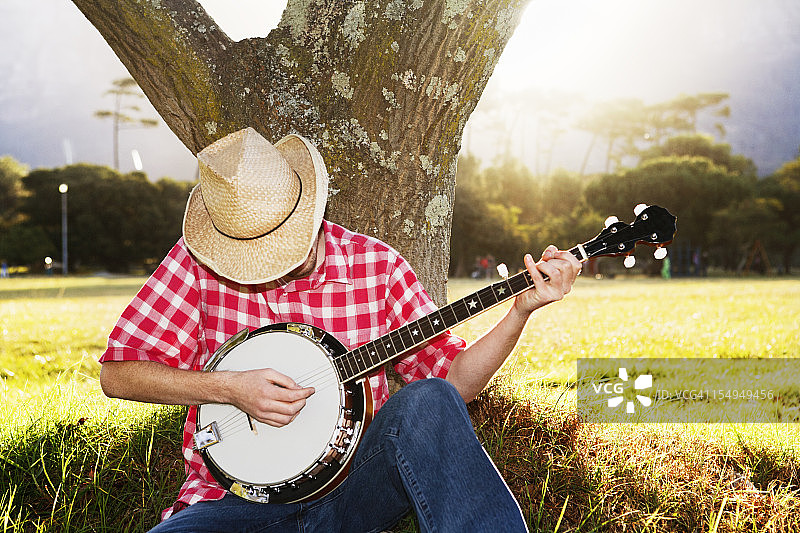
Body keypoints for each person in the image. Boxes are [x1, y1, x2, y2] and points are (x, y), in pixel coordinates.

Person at [99, 127, 581, 533]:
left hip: (352, 490)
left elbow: (457, 382)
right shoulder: (199, 262)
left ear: (308, 214)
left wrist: (520, 311)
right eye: (253, 259)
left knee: (429, 400)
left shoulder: (376, 265)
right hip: (233, 505)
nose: (267, 269)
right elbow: (117, 376)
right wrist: (228, 388)